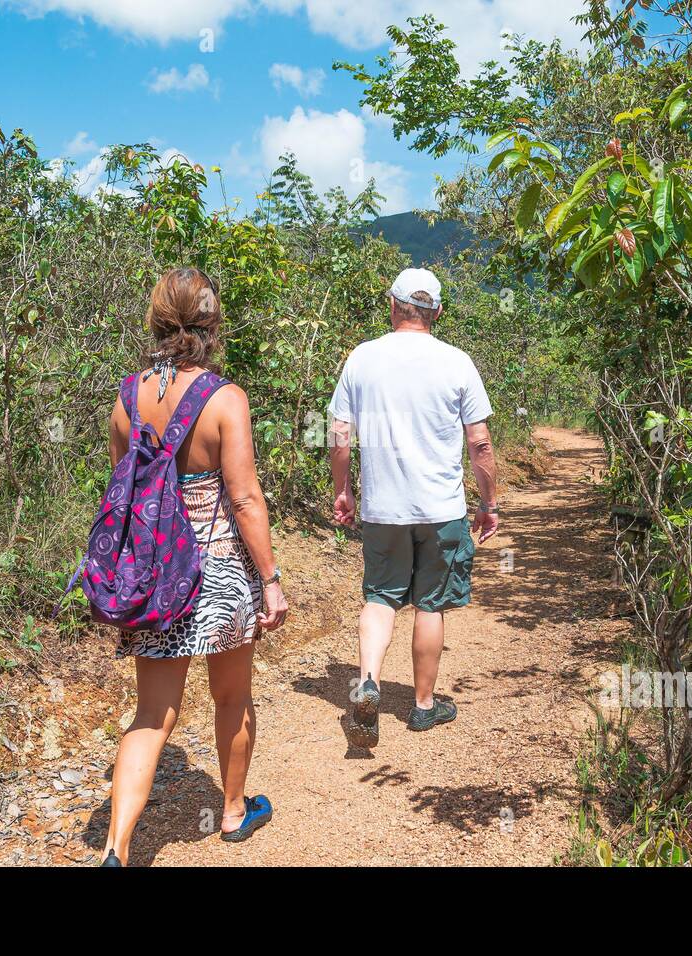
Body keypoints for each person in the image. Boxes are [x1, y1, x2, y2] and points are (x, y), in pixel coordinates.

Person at [101, 267, 289, 866]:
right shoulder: (225, 399)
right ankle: (233, 812)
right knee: (232, 696)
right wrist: (271, 580)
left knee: (152, 714)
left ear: (157, 321)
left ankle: (116, 847)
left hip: (156, 575)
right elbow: (245, 499)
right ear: (212, 323)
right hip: (219, 572)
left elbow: (123, 492)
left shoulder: (127, 398)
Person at [327, 267, 499, 747]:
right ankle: (423, 707)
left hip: (383, 509)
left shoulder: (362, 358)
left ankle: (369, 684)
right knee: (431, 602)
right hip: (441, 509)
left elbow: (340, 434)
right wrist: (488, 502)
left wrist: (343, 489)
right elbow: (480, 443)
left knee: (380, 597)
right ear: (437, 313)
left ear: (392, 306)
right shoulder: (457, 362)